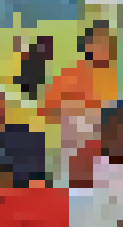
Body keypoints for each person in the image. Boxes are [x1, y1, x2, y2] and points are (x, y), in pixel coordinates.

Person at [41, 23, 117, 180]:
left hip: (105, 149)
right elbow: (48, 108)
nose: (104, 48)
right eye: (99, 42)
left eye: (108, 43)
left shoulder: (115, 77)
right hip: (73, 145)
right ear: (88, 45)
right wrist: (73, 111)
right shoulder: (71, 74)